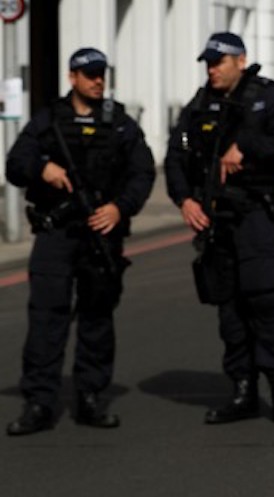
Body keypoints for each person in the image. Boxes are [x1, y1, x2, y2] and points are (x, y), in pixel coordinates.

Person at [164, 32, 274, 427]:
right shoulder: (199, 105)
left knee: (266, 303)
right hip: (218, 222)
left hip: (259, 218)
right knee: (229, 309)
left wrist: (247, 144)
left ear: (240, 61)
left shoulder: (269, 97)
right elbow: (176, 156)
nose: (212, 69)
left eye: (219, 62)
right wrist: (185, 200)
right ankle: (243, 390)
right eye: (208, 63)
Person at [5, 48, 155, 436]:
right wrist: (43, 167)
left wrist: (120, 209)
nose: (97, 80)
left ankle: (90, 397)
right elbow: (15, 164)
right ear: (72, 77)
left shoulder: (120, 123)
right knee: (46, 318)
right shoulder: (48, 121)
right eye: (89, 74)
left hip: (101, 235)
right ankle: (40, 402)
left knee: (97, 319)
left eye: (101, 74)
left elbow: (142, 173)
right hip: (57, 233)